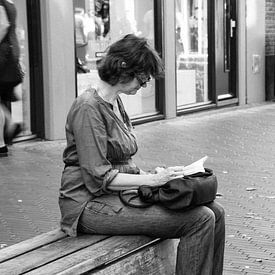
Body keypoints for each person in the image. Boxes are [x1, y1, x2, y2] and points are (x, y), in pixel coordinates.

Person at [59, 34, 225, 275]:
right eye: (143, 77)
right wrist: (152, 181)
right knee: (200, 219)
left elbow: (122, 162)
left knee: (216, 212)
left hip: (115, 196)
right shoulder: (88, 107)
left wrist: (155, 174)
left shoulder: (114, 102)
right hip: (87, 206)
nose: (144, 84)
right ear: (123, 69)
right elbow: (98, 178)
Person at [0, 0, 23, 157]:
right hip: (9, 55)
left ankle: (1, 143)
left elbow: (2, 26)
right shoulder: (10, 3)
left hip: (2, 56)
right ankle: (9, 125)